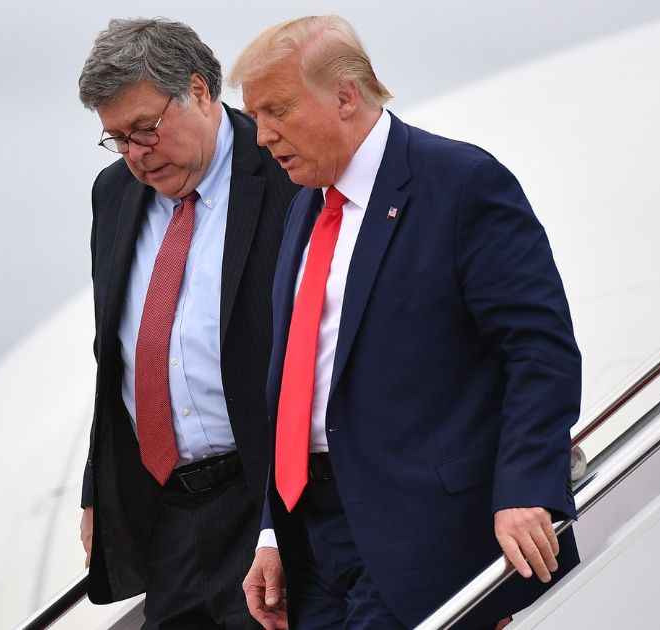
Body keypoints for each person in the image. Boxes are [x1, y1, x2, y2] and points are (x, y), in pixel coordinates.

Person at [230, 15, 582, 630]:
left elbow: (540, 349)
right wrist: (270, 532)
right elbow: (297, 389)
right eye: (255, 115)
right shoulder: (303, 210)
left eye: (278, 109)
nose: (261, 136)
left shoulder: (460, 183)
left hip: (427, 537)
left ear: (346, 95)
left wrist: (527, 486)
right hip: (313, 543)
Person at [75, 17, 299, 630]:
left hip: (270, 502)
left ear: (200, 91)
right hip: (170, 513)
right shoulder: (113, 194)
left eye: (146, 129)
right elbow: (118, 357)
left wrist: (278, 522)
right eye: (116, 138)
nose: (136, 155)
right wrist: (99, 485)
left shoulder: (284, 167)